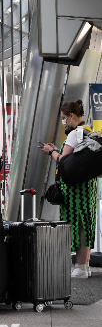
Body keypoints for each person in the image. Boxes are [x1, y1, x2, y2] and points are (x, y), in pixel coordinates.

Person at [41, 99, 97, 279]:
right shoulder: (89, 132)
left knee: (77, 223)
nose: (65, 122)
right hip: (88, 186)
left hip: (74, 190)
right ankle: (85, 265)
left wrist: (51, 152)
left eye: (65, 118)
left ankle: (80, 267)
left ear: (72, 116)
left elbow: (64, 163)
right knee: (86, 222)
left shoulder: (74, 134)